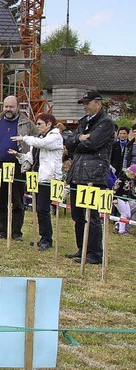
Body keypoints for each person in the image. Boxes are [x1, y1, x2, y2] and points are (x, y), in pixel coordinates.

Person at [64, 90, 115, 264]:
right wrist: (79, 138)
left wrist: (78, 142)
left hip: (93, 174)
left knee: (90, 215)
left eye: (88, 103)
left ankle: (94, 253)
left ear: (98, 103)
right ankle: (82, 248)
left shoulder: (106, 123)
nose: (85, 106)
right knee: (77, 215)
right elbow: (69, 143)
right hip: (77, 173)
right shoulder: (84, 122)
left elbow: (91, 144)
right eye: (83, 103)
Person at [0, 95, 38, 241]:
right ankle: (2, 230)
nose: (8, 109)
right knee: (0, 200)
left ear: (17, 107)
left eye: (11, 107)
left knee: (18, 201)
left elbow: (37, 141)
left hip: (18, 166)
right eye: (6, 106)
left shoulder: (26, 123)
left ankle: (16, 232)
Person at [10, 112, 63, 250]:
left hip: (49, 178)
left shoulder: (55, 137)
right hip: (38, 177)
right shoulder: (39, 138)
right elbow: (31, 157)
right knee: (39, 209)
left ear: (49, 124)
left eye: (39, 124)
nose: (37, 126)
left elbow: (43, 144)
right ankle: (43, 237)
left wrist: (24, 138)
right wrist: (19, 155)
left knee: (43, 209)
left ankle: (47, 239)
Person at [112, 164, 136, 235]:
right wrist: (114, 198)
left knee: (128, 215)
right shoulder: (121, 179)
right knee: (124, 214)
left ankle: (118, 224)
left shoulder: (131, 180)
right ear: (131, 172)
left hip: (125, 199)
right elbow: (115, 188)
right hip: (118, 198)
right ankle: (121, 230)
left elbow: (131, 191)